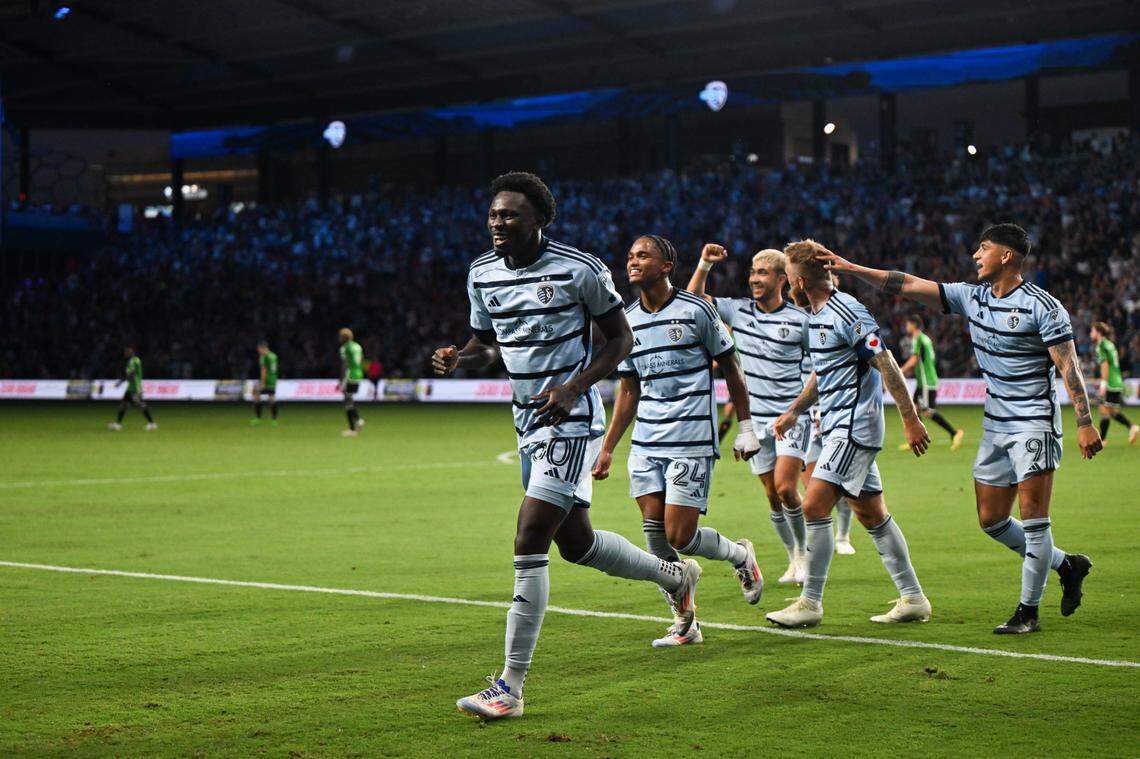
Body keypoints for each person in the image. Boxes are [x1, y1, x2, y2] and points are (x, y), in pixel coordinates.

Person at [434, 172, 701, 721]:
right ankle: (674, 575)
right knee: (575, 545)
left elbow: (620, 339)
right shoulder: (481, 274)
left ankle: (509, 685)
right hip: (526, 422)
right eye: (493, 215)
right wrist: (460, 357)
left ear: (540, 220)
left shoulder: (580, 269)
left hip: (572, 418)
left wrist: (575, 386)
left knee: (528, 536)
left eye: (509, 215)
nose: (497, 224)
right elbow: (489, 346)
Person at [820, 223, 1096, 634]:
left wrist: (1085, 421)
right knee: (991, 520)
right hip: (995, 424)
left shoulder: (1045, 307)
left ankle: (1028, 612)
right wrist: (851, 267)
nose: (975, 255)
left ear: (1006, 256)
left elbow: (1067, 365)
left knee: (1035, 519)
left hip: (1034, 422)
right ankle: (1066, 565)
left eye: (983, 248)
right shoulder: (974, 297)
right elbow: (909, 284)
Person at [593, 235, 763, 648]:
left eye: (643, 255)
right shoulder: (627, 321)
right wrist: (609, 445)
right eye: (630, 255)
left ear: (666, 265)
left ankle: (740, 555)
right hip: (648, 441)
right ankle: (686, 621)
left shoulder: (697, 310)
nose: (633, 261)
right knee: (655, 536)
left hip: (691, 438)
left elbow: (732, 369)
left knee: (681, 536)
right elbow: (628, 390)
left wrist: (746, 427)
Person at [766, 240, 933, 629]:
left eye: (788, 272)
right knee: (872, 513)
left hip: (854, 426)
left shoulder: (848, 312)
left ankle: (810, 602)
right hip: (836, 425)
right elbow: (823, 373)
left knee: (813, 506)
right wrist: (794, 411)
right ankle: (913, 598)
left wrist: (910, 419)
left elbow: (885, 362)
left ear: (801, 278)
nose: (786, 279)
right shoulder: (815, 316)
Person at [687, 244, 811, 584]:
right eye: (753, 272)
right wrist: (703, 265)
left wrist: (801, 410)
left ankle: (804, 555)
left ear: (782, 279)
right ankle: (792, 558)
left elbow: (818, 370)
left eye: (762, 273)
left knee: (787, 489)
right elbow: (693, 300)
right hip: (754, 422)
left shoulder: (801, 321)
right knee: (772, 496)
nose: (754, 278)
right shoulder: (738, 311)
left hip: (790, 418)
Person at [898, 315, 965, 451]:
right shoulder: (925, 339)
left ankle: (954, 433)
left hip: (926, 381)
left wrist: (899, 371)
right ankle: (917, 439)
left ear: (913, 325)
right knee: (915, 409)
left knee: (927, 412)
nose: (906, 327)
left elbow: (914, 360)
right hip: (923, 381)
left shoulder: (918, 339)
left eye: (907, 324)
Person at [1091, 321, 1137, 445]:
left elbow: (1105, 365)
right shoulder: (1110, 344)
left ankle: (1103, 440)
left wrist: (1103, 384)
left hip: (1110, 382)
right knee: (1110, 411)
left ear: (1098, 332)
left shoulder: (1101, 346)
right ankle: (1131, 427)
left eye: (1093, 330)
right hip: (1117, 380)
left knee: (1104, 409)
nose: (1091, 333)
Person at [108, 346, 156, 431]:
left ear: (131, 352)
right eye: (125, 352)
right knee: (124, 405)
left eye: (126, 352)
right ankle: (118, 424)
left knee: (140, 404)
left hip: (135, 388)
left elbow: (132, 374)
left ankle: (152, 423)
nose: (125, 354)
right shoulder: (134, 360)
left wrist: (121, 381)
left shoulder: (133, 361)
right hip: (131, 387)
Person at [338, 328, 365, 437]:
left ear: (344, 337)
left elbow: (344, 364)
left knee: (347, 401)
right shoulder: (357, 346)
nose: (339, 338)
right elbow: (361, 359)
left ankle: (353, 427)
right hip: (358, 374)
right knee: (349, 400)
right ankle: (357, 422)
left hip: (349, 375)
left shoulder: (344, 348)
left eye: (340, 336)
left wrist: (341, 379)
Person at [251, 341, 279, 426]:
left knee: (255, 394)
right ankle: (274, 420)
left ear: (263, 348)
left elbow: (263, 370)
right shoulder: (274, 355)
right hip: (273, 380)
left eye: (259, 349)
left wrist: (262, 382)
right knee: (272, 398)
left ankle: (258, 418)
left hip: (266, 380)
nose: (258, 351)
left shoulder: (264, 357)